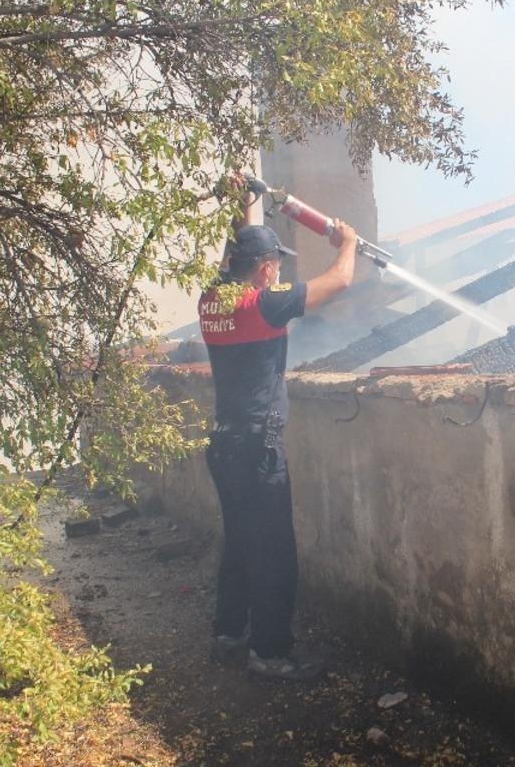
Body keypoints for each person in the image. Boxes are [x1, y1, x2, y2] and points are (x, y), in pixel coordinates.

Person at [198, 185, 357, 681]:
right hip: (256, 449)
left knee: (241, 540)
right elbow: (341, 282)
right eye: (277, 263)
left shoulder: (212, 300)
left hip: (224, 444)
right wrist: (347, 242)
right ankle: (270, 652)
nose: (281, 271)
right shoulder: (264, 305)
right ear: (266, 269)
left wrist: (247, 200)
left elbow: (241, 250)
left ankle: (230, 634)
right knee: (273, 552)